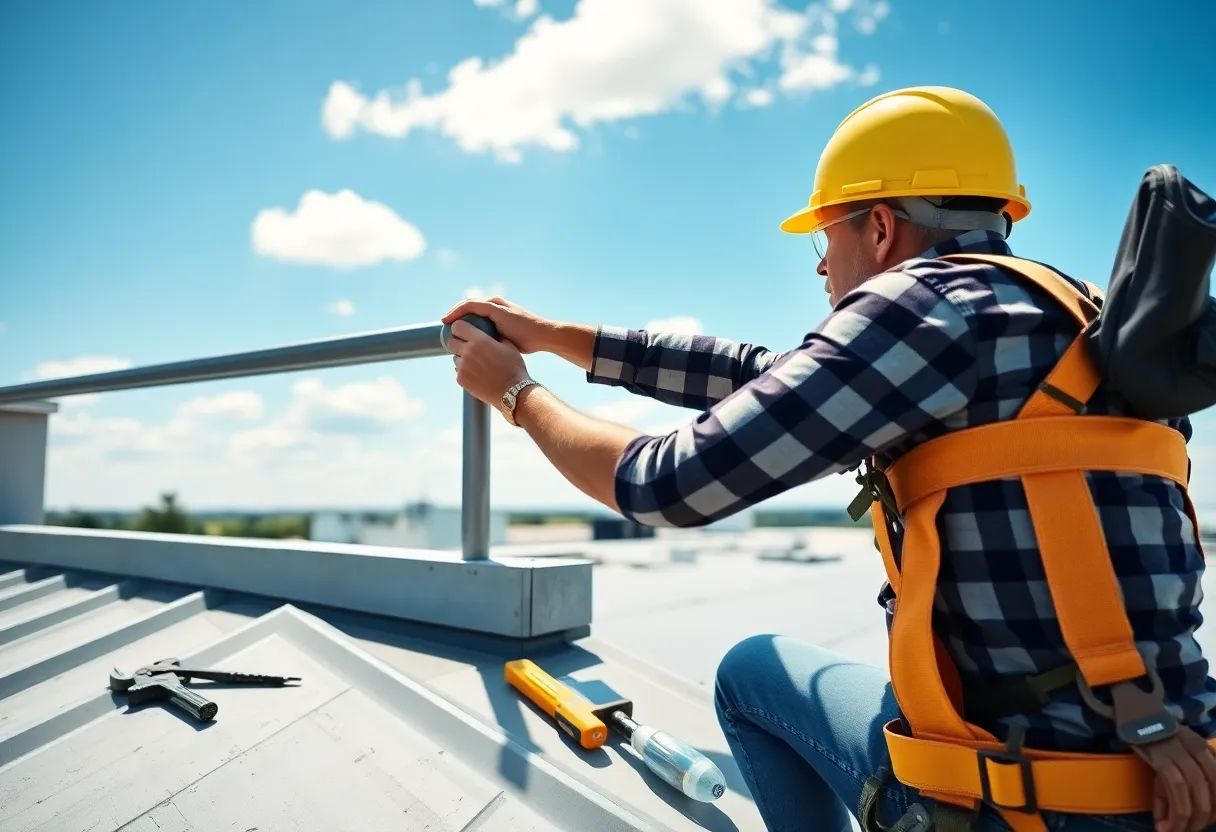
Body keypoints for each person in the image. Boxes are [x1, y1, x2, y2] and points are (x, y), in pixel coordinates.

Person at [442, 86, 1216, 832]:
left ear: (880, 227)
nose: (820, 267)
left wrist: (516, 392)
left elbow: (660, 486)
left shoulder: (917, 306)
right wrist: (551, 333)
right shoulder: (1078, 314)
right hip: (1177, 765)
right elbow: (766, 374)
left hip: (1023, 799)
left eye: (827, 236)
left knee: (750, 674)